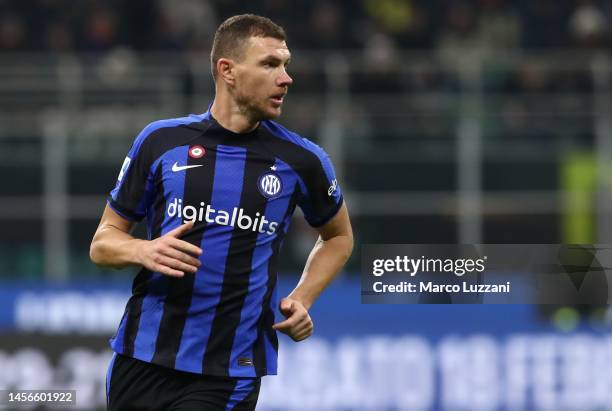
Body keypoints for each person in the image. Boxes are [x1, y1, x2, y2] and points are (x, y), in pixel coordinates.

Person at [90, 14, 353, 411]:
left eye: (286, 65)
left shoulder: (303, 160)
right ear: (226, 70)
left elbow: (338, 236)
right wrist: (141, 250)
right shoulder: (162, 141)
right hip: (141, 357)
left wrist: (303, 296)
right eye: (270, 64)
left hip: (230, 369)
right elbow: (102, 242)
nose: (286, 78)